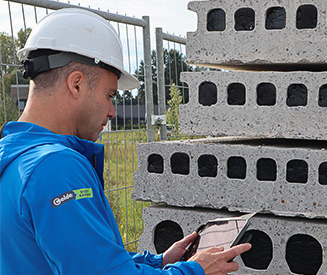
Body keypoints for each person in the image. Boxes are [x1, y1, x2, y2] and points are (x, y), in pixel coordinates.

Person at [0, 8, 251, 275]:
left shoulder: (16, 159)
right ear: (76, 84)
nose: (112, 111)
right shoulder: (54, 167)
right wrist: (194, 271)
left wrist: (160, 263)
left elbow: (86, 259)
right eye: (109, 95)